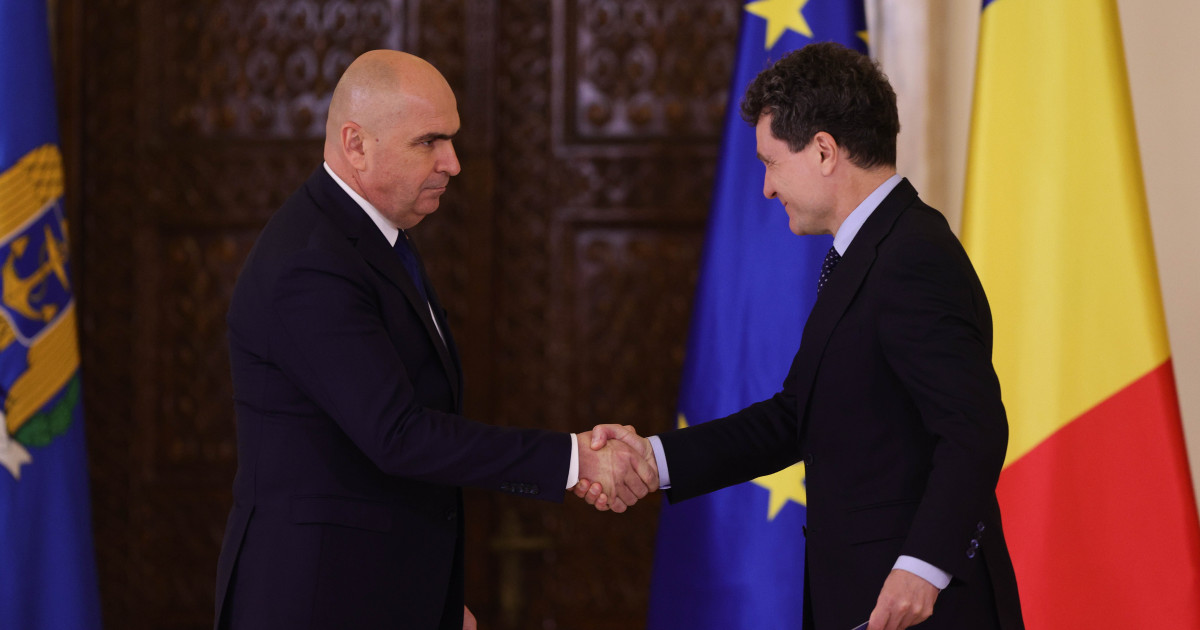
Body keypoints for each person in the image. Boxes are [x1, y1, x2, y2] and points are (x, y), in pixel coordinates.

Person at [579, 42, 1024, 630]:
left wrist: (923, 568)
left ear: (823, 151)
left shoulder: (911, 255)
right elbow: (795, 417)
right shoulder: (870, 250)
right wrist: (654, 459)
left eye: (770, 162)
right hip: (865, 599)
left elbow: (974, 427)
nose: (766, 188)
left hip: (921, 610)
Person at [213, 50, 657, 630]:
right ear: (356, 144)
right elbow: (398, 435)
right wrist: (574, 460)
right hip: (317, 601)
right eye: (429, 142)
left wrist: (434, 603)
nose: (453, 162)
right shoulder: (311, 263)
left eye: (451, 139)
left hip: (379, 594)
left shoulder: (376, 237)